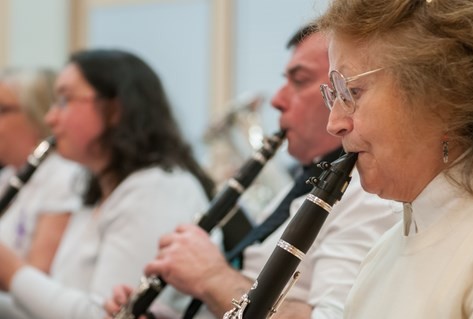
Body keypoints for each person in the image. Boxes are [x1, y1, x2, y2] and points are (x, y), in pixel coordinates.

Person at [104, 25, 400, 319]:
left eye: (300, 81)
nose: (277, 100)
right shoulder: (304, 183)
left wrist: (212, 277)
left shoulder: (370, 195)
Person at [0, 49, 215, 319]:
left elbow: (106, 315)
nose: (50, 118)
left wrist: (11, 271)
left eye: (65, 100)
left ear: (115, 109)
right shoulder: (99, 191)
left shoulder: (157, 191)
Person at [315, 0, 473, 318]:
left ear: (440, 95)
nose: (334, 123)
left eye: (352, 92)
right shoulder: (383, 253)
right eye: (333, 95)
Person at [0, 68, 83, 273]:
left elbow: (37, 278)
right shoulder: (8, 175)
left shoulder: (64, 177)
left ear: (37, 114)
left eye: (1, 110)